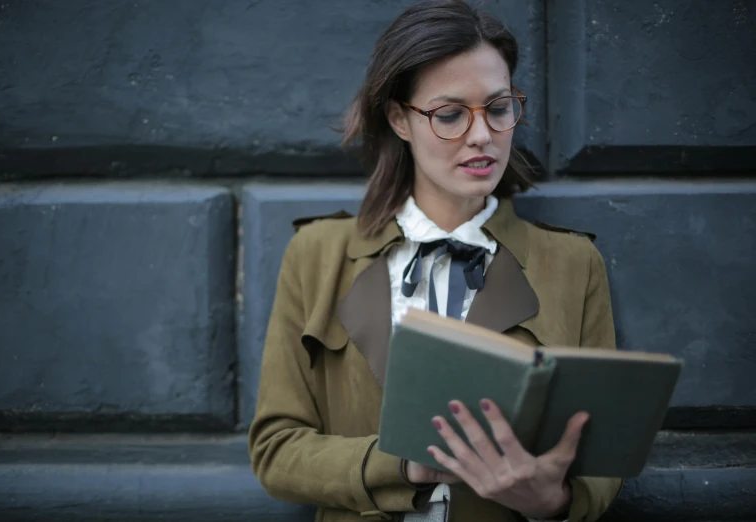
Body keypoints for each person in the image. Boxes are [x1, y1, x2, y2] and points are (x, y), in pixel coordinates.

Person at [248, 1, 623, 520]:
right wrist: (401, 465)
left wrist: (555, 502)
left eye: (498, 107)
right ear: (400, 118)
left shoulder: (573, 262)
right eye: (449, 114)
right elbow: (275, 449)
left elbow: (601, 459)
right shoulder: (318, 255)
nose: (481, 135)